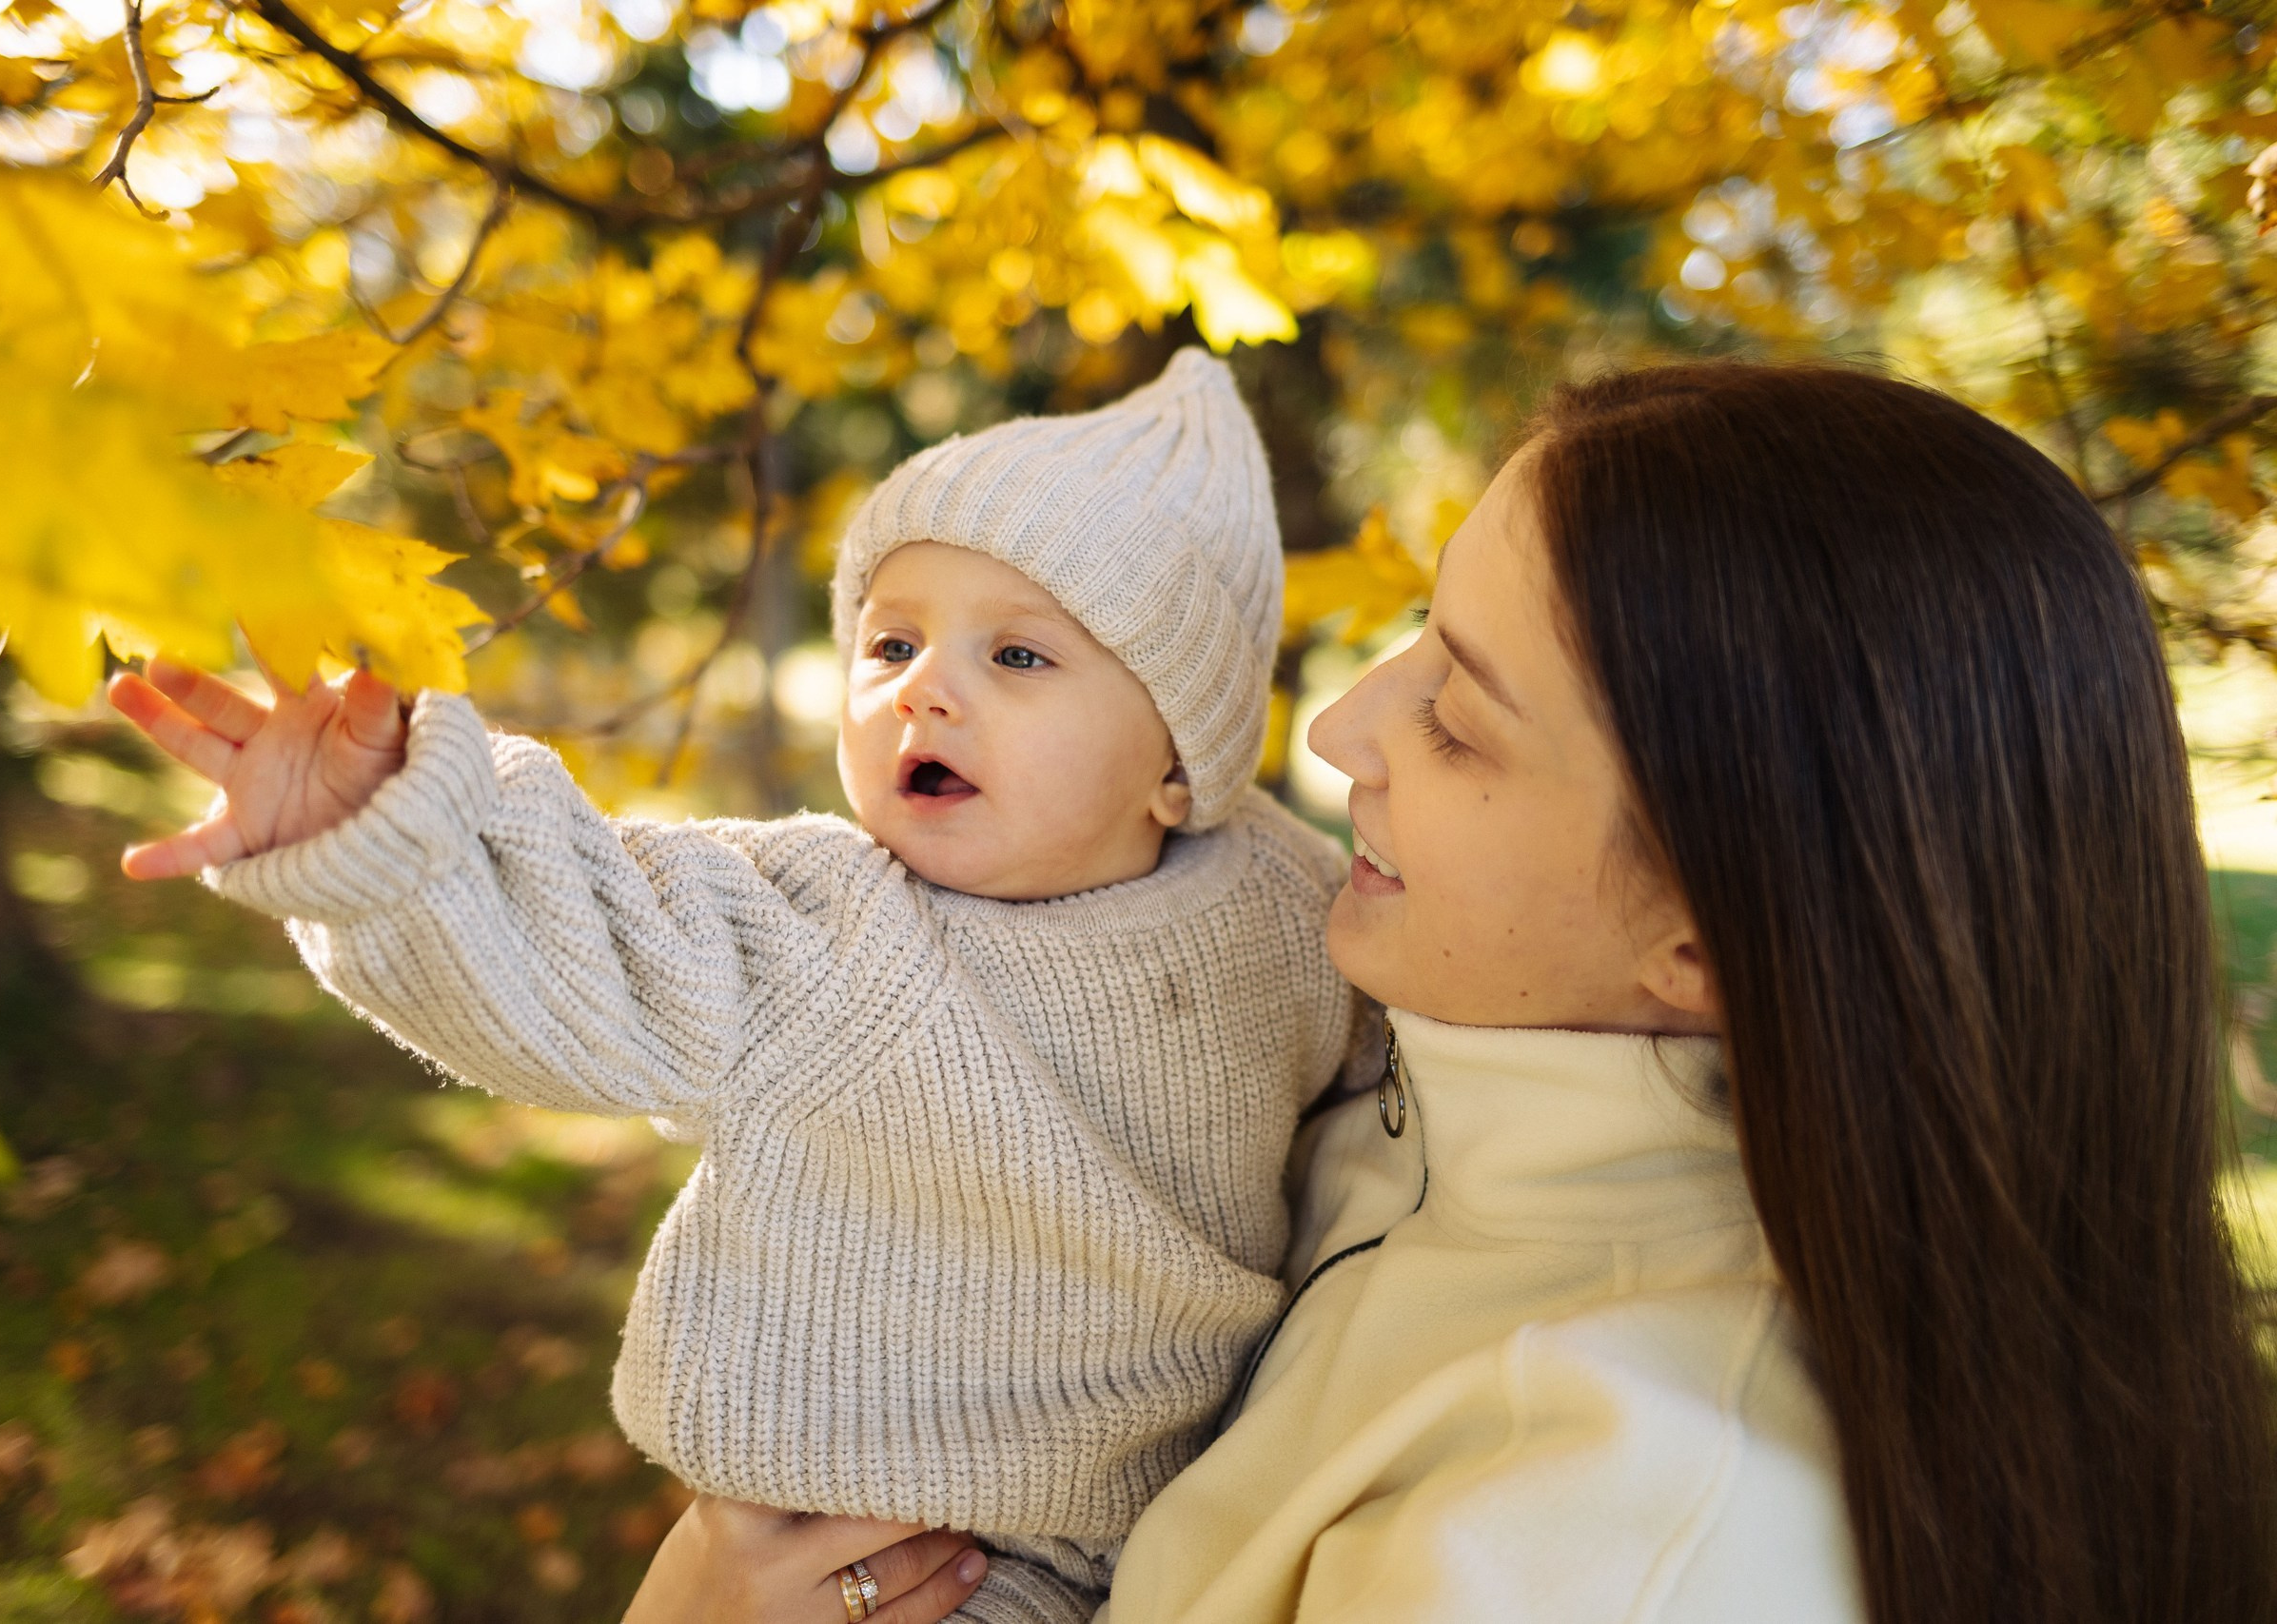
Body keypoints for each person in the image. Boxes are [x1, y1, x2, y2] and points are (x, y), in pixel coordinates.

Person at [633, 361, 2277, 1624]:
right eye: (1421, 633)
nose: (1341, 728)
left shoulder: (1614, 1534)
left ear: (1701, 943)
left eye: (1460, 718)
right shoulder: (1381, 1089)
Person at [108, 349, 1371, 1624]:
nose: (924, 689)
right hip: (897, 1557)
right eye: (892, 642)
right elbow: (584, 932)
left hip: (1173, 1543)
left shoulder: (1284, 907)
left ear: (1180, 767)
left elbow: (1409, 1074)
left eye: (1019, 657)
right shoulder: (830, 929)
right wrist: (389, 834)